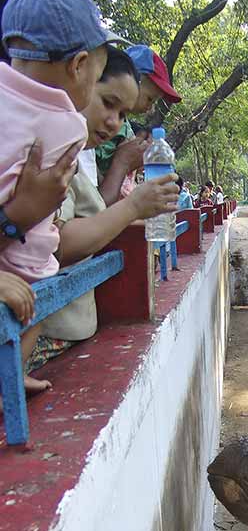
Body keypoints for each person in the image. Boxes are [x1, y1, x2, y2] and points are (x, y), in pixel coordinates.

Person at [27, 46, 178, 373]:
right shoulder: (53, 152)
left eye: (124, 114)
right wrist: (133, 206)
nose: (114, 123)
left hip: (69, 330)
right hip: (48, 334)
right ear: (80, 79)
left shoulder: (80, 154)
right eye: (108, 104)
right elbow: (56, 246)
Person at [0, 0, 111, 393]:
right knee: (36, 300)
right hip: (22, 259)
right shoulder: (67, 127)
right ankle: (7, 382)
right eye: (98, 81)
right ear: (79, 65)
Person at [96, 44, 181, 206]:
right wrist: (123, 161)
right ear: (135, 79)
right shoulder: (95, 129)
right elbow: (96, 207)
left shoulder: (126, 128)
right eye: (150, 98)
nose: (151, 108)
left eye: (122, 114)